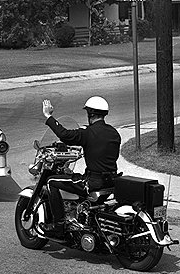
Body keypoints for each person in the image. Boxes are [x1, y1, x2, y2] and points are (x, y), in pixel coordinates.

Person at [40, 96, 121, 233]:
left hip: (93, 182)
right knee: (75, 178)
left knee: (51, 181)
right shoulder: (114, 133)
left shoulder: (88, 133)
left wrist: (49, 116)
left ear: (90, 114)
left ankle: (58, 225)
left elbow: (64, 135)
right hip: (112, 180)